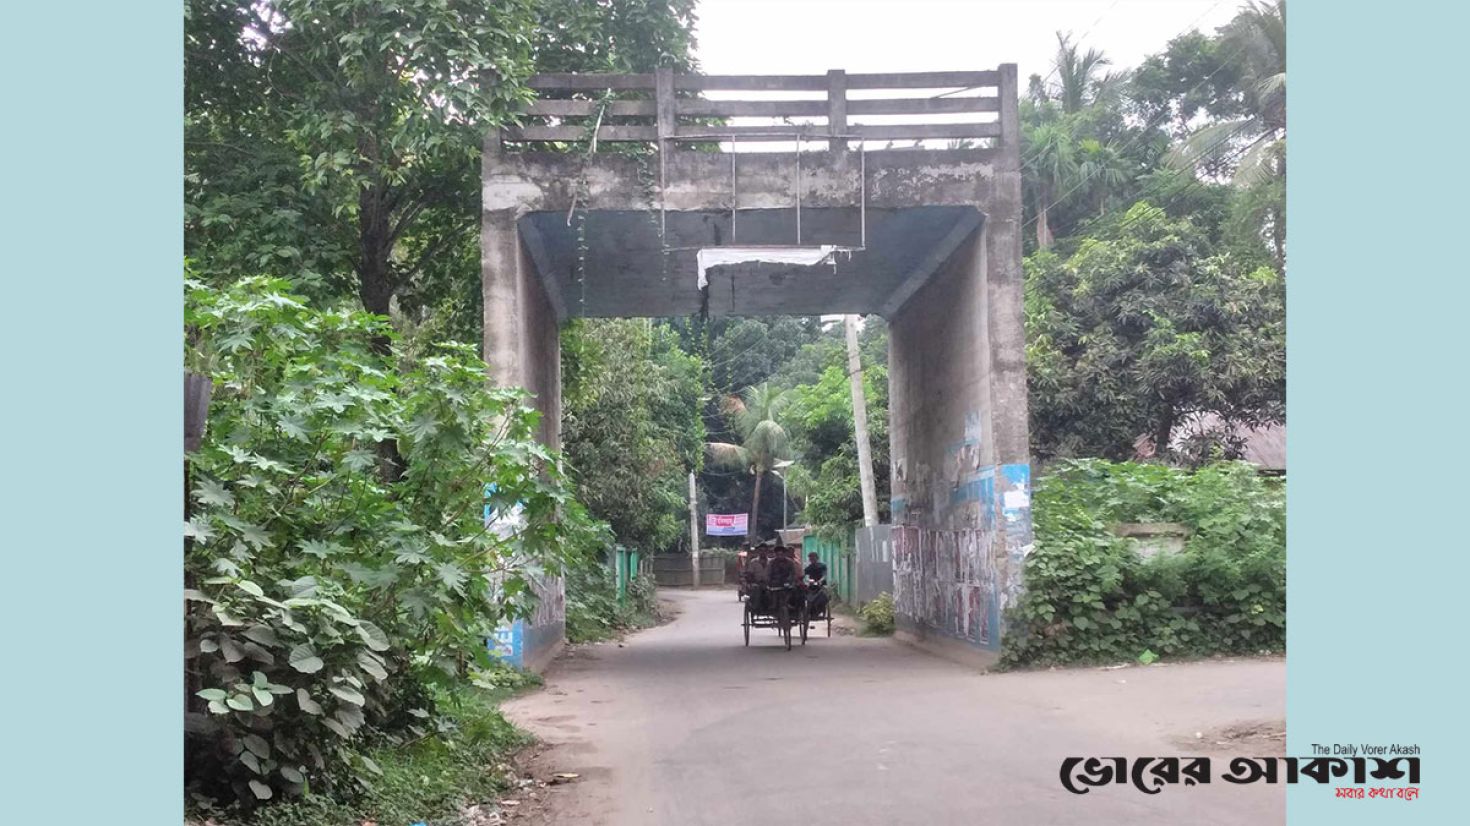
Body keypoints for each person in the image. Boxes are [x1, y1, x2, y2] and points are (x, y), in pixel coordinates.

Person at [804, 551, 830, 616]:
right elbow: (805, 576)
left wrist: (820, 581)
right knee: (807, 596)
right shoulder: (809, 567)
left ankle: (821, 609)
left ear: (817, 558)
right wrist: (809, 580)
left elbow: (824, 575)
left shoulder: (822, 566)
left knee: (824, 596)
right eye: (810, 558)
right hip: (812, 586)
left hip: (821, 585)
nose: (812, 560)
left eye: (813, 558)